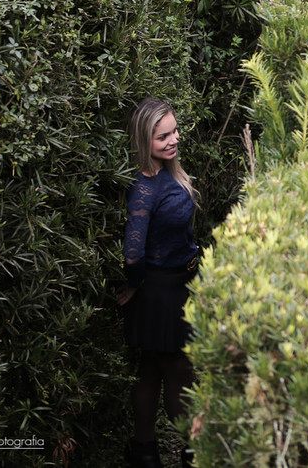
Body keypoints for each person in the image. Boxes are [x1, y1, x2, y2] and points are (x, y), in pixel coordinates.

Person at [118, 97, 199, 468]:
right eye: (162, 136)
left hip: (168, 288)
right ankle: (192, 453)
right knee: (178, 375)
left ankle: (144, 451)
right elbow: (132, 249)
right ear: (143, 140)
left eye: (174, 131)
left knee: (150, 371)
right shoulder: (146, 188)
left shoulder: (168, 175)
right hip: (163, 293)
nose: (173, 140)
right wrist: (135, 283)